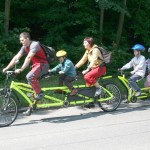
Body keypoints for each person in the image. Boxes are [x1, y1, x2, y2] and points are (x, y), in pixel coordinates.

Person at [3, 32, 49, 115]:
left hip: (43, 65)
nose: (21, 42)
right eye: (20, 40)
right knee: (29, 89)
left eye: (22, 40)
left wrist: (21, 69)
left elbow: (28, 58)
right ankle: (31, 107)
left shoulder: (35, 45)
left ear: (27, 38)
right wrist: (7, 67)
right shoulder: (24, 47)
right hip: (36, 66)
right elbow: (16, 57)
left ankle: (40, 93)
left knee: (29, 76)